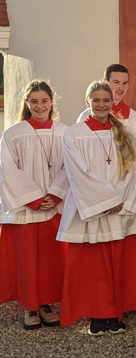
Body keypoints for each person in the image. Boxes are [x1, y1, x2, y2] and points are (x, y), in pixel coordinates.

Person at [57, 81, 136, 335]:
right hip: (92, 208)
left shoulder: (125, 131)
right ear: (88, 102)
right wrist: (107, 200)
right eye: (96, 100)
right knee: (93, 265)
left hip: (119, 208)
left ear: (112, 102)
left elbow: (133, 170)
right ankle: (97, 314)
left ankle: (116, 312)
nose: (102, 104)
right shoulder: (74, 133)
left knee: (117, 261)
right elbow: (78, 173)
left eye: (106, 100)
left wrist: (121, 199)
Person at [0, 80, 68, 330]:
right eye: (34, 101)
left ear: (52, 102)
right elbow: (7, 169)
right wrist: (35, 199)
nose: (40, 106)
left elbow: (70, 167)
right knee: (28, 259)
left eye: (44, 100)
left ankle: (46, 303)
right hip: (27, 209)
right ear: (27, 104)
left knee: (49, 260)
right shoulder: (13, 133)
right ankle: (30, 306)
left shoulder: (65, 132)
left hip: (53, 207)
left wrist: (56, 195)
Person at [77, 64, 136, 140]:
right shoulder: (86, 116)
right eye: (116, 82)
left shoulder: (135, 118)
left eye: (124, 83)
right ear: (105, 82)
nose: (121, 88)